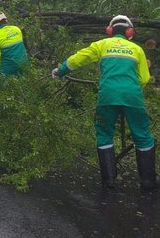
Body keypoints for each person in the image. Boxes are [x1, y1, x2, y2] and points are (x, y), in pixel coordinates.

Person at [52, 15, 157, 191]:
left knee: (104, 132)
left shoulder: (101, 45)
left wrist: (60, 71)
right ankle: (148, 182)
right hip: (132, 96)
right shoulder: (137, 49)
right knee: (143, 136)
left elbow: (78, 59)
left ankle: (109, 181)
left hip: (108, 95)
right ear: (129, 31)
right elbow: (144, 78)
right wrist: (128, 89)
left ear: (109, 30)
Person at [0, 11, 29, 77]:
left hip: (9, 69)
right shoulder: (17, 29)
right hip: (24, 64)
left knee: (3, 83)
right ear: (6, 21)